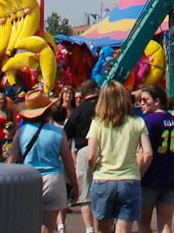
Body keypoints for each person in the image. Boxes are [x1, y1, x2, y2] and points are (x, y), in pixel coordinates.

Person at [89, 81, 153, 233]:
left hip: (103, 178)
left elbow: (91, 155)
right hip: (129, 179)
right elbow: (148, 153)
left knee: (102, 229)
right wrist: (140, 171)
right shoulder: (137, 122)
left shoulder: (97, 123)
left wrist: (95, 168)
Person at [13, 89, 79, 233]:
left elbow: (11, 161)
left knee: (29, 224)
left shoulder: (21, 132)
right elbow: (68, 163)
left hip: (28, 179)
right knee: (48, 226)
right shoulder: (58, 133)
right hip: (53, 179)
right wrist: (75, 185)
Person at [137, 86, 174, 233]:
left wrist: (137, 175)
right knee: (165, 225)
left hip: (150, 179)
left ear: (157, 101)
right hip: (171, 178)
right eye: (140, 100)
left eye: (145, 100)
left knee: (143, 223)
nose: (141, 103)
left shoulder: (148, 122)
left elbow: (144, 152)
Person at [69, 81, 103, 233]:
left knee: (85, 193)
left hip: (83, 150)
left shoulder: (79, 110)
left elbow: (66, 133)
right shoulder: (105, 107)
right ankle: (104, 226)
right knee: (104, 190)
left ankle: (89, 229)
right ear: (96, 90)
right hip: (104, 149)